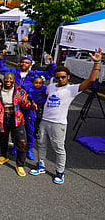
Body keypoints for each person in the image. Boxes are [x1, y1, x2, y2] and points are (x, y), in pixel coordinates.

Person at [29, 48, 103, 184]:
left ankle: (60, 172)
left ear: (68, 77)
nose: (60, 79)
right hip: (44, 121)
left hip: (58, 123)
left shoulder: (72, 89)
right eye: (57, 77)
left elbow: (91, 80)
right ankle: (41, 165)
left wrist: (96, 63)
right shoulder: (51, 86)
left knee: (58, 148)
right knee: (41, 143)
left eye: (63, 76)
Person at [0, 51, 56, 160]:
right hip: (16, 106)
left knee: (30, 128)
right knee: (16, 127)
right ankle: (15, 145)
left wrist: (51, 63)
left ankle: (29, 148)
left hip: (29, 106)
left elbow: (49, 74)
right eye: (22, 62)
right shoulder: (14, 71)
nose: (24, 64)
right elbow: (1, 68)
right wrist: (1, 57)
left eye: (26, 62)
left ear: (30, 64)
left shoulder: (34, 73)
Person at [0, 73, 30, 177]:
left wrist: (25, 103)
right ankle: (4, 155)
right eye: (6, 78)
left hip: (16, 118)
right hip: (2, 118)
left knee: (22, 142)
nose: (8, 80)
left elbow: (27, 106)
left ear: (13, 80)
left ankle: (20, 164)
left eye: (10, 79)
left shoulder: (19, 91)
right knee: (3, 139)